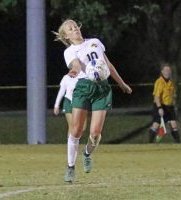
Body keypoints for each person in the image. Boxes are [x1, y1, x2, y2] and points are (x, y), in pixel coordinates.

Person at [53, 19, 132, 182]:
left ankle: (87, 154)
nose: (74, 29)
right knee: (76, 130)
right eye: (70, 28)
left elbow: (108, 65)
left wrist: (122, 84)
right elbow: (75, 65)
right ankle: (70, 166)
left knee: (95, 133)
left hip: (101, 88)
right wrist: (74, 71)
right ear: (66, 36)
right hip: (83, 87)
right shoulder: (69, 51)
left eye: (75, 26)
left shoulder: (95, 42)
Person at [149, 64, 180, 143]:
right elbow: (156, 96)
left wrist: (174, 102)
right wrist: (159, 108)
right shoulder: (159, 82)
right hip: (160, 106)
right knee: (156, 124)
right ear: (162, 72)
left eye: (169, 71)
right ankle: (149, 142)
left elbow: (172, 95)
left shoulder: (170, 82)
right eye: (165, 71)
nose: (167, 72)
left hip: (169, 106)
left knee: (174, 124)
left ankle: (179, 143)